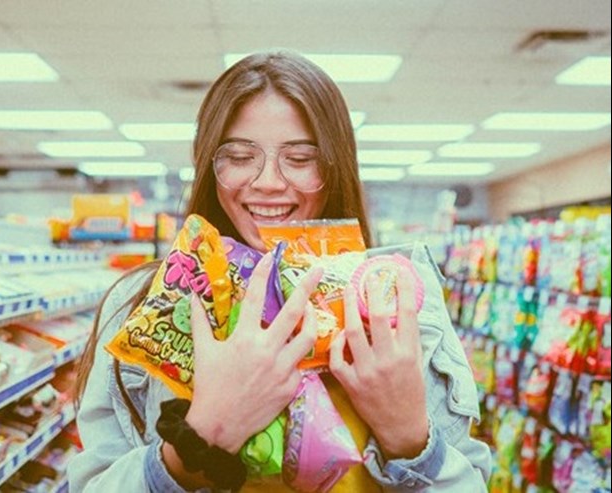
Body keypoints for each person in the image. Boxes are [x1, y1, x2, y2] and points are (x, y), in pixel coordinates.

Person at [68, 51, 491, 492]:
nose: (268, 181)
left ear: (335, 166)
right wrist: (202, 436)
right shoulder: (144, 304)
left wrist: (408, 438)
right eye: (238, 155)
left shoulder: (395, 301)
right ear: (209, 166)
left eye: (300, 157)